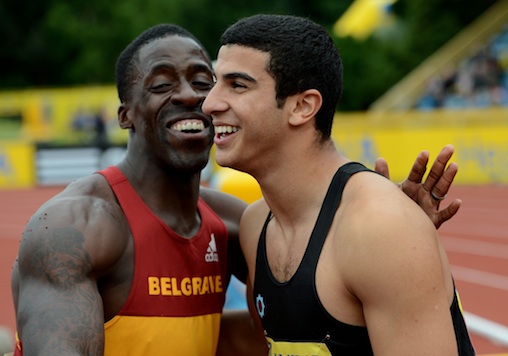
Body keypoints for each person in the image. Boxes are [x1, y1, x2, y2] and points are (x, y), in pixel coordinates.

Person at [10, 23, 461, 356]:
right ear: (124, 113)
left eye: (224, 84)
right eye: (163, 84)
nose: (203, 101)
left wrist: (397, 236)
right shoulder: (77, 227)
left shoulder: (248, 223)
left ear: (303, 106)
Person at [202, 14, 475, 355]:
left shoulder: (378, 227)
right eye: (215, 83)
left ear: (302, 106)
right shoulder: (256, 226)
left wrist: (404, 233)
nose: (210, 103)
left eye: (237, 85)